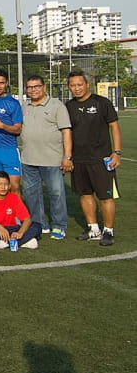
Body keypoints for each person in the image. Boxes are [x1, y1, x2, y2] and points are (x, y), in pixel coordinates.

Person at [65, 70, 121, 246]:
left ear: (87, 84)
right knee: (85, 194)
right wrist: (68, 157)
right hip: (79, 160)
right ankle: (94, 229)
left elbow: (114, 127)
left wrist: (117, 152)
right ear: (69, 87)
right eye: (73, 85)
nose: (77, 88)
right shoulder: (68, 106)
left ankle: (109, 231)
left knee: (106, 196)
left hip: (101, 159)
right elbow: (67, 133)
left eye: (80, 84)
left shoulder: (102, 103)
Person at [20, 75, 73, 239]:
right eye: (29, 87)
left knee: (56, 193)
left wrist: (67, 157)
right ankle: (39, 224)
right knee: (31, 194)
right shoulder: (24, 105)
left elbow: (66, 132)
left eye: (36, 86)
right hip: (28, 159)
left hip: (52, 159)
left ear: (44, 87)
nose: (33, 90)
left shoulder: (57, 106)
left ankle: (59, 225)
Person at [0, 170, 41, 250]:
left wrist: (20, 232)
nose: (3, 187)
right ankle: (23, 242)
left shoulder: (14, 198)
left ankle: (4, 243)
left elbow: (27, 219)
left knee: (37, 226)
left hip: (13, 229)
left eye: (6, 184)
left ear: (9, 185)